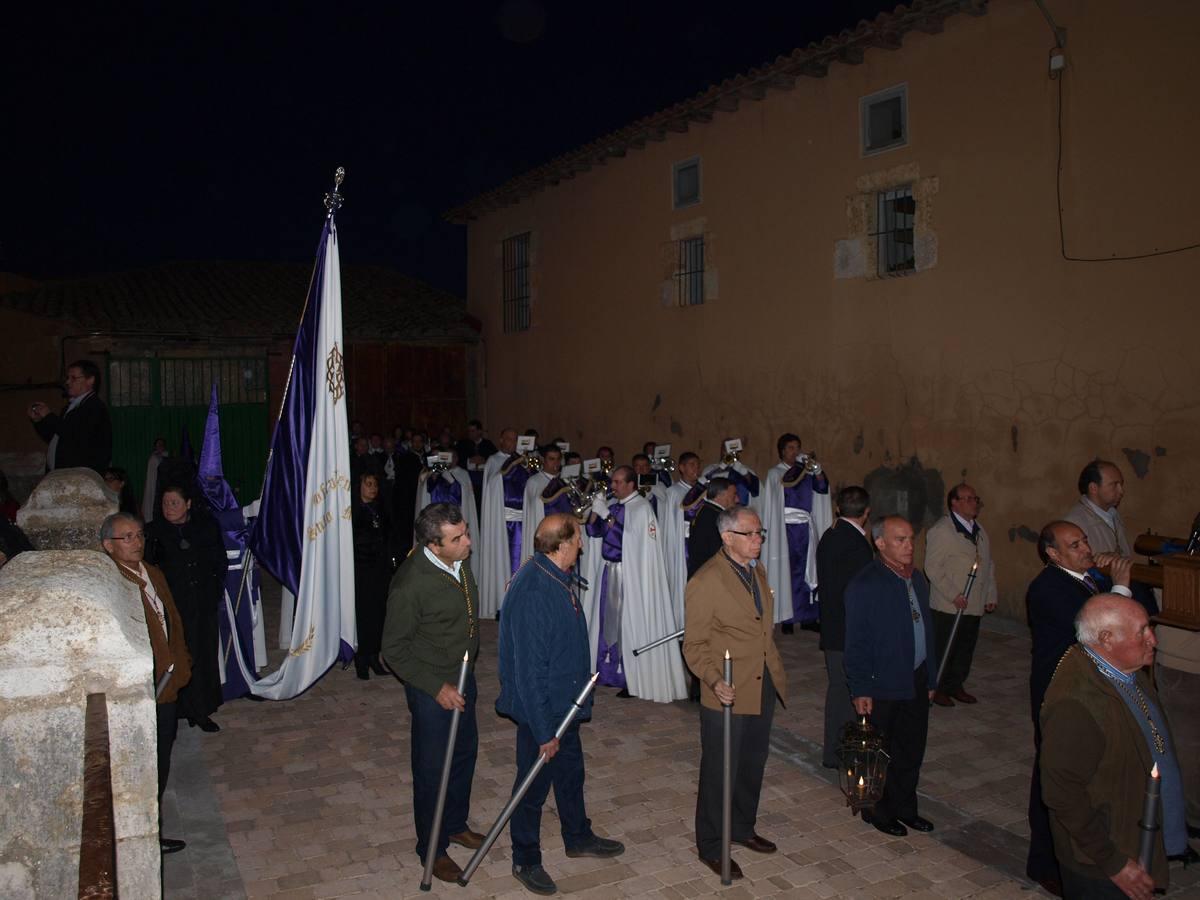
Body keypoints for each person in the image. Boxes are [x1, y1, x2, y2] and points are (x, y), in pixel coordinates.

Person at [497, 514, 626, 894]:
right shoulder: (535, 592)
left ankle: (577, 836)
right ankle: (525, 857)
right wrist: (543, 730)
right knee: (532, 787)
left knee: (571, 773)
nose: (583, 545)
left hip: (564, 703)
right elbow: (528, 671)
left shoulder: (552, 574)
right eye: (579, 539)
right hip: (544, 710)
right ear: (561, 545)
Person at [1041, 595, 1189, 898]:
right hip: (1101, 864)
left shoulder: (1127, 672)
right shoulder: (1076, 703)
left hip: (1134, 836)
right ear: (1106, 639)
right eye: (1142, 631)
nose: (1153, 640)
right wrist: (1114, 862)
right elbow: (1061, 793)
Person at [1025, 520, 1133, 892]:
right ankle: (1045, 861)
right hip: (1060, 692)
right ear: (1053, 554)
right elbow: (1092, 627)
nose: (1086, 549)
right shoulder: (1047, 587)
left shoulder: (1092, 579)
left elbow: (1138, 612)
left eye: (1085, 541)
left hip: (1092, 690)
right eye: (1075, 545)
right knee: (1056, 773)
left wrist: (1116, 580)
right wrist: (1119, 585)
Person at [381, 503, 484, 883]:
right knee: (431, 768)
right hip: (432, 686)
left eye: (466, 532)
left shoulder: (457, 560)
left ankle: (455, 824)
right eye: (458, 539)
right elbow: (393, 649)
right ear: (434, 545)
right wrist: (435, 687)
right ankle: (432, 847)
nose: (468, 543)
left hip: (462, 675)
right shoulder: (411, 584)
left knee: (463, 754)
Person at [683, 504, 786, 881]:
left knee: (751, 762)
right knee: (719, 769)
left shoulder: (755, 569)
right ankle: (711, 845)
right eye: (751, 534)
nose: (758, 539)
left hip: (760, 681)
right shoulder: (706, 580)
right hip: (726, 688)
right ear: (728, 538)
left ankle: (742, 827)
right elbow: (694, 644)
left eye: (760, 533)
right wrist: (713, 679)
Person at [101, 512, 192, 854]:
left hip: (167, 683)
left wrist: (181, 661)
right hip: (143, 687)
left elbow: (173, 619)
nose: (136, 542)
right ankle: (139, 834)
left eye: (139, 535)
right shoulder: (115, 582)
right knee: (143, 763)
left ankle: (150, 829)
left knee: (160, 758)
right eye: (127, 537)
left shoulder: (151, 572)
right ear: (108, 545)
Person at [844, 516, 936, 837]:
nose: (909, 545)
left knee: (911, 749)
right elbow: (855, 642)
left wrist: (931, 678)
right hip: (882, 682)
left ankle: (905, 807)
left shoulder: (917, 579)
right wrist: (860, 688)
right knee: (879, 751)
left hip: (916, 678)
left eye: (911, 539)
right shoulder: (866, 584)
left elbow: (927, 630)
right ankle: (877, 810)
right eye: (900, 539)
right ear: (880, 543)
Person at [582, 465, 688, 702]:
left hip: (629, 575)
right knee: (606, 621)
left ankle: (630, 676)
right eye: (613, 482)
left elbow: (628, 539)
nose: (613, 486)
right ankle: (607, 671)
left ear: (631, 484)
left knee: (627, 624)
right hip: (609, 572)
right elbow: (593, 531)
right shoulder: (614, 505)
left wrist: (606, 514)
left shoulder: (642, 509)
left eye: (618, 482)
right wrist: (595, 510)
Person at [145, 485, 227, 733]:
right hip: (173, 608)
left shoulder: (204, 527)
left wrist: (211, 590)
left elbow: (218, 562)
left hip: (201, 604)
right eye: (165, 503)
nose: (169, 508)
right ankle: (179, 709)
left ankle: (201, 709)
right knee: (178, 656)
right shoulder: (154, 532)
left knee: (203, 654)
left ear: (188, 504)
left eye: (174, 503)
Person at [815, 485, 874, 769]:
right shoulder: (857, 544)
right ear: (866, 512)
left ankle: (838, 750)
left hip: (834, 626)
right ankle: (839, 752)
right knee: (844, 692)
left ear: (838, 508)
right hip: (848, 631)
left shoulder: (831, 535)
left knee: (840, 689)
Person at [925, 483, 997, 707]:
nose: (973, 502)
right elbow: (933, 568)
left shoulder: (980, 531)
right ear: (954, 502)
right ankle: (937, 686)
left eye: (975, 499)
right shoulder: (942, 531)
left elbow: (988, 564)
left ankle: (956, 684)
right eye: (967, 498)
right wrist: (953, 594)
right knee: (944, 646)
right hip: (949, 604)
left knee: (965, 647)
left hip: (973, 602)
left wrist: (990, 594)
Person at [1064, 459, 1158, 615]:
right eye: (1114, 485)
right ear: (1094, 488)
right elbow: (1075, 570)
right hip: (1100, 596)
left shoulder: (1112, 514)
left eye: (1121, 484)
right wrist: (1102, 560)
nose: (1121, 491)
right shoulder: (1074, 523)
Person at [760, 433, 831, 635]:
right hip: (785, 529)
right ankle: (788, 617)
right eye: (791, 448)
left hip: (805, 528)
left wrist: (817, 471)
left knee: (808, 570)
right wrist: (801, 467)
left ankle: (808, 616)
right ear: (782, 451)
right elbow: (785, 484)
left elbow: (822, 488)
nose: (796, 451)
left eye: (797, 447)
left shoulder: (806, 471)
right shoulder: (776, 473)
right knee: (788, 571)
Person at [478, 427, 530, 617]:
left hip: (523, 519)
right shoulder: (494, 460)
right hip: (504, 522)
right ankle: (503, 601)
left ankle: (522, 600)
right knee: (505, 560)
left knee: (522, 560)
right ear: (501, 440)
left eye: (516, 439)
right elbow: (493, 484)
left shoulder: (524, 461)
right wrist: (511, 465)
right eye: (509, 439)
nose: (513, 443)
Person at [28, 359, 112, 475]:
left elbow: (74, 435)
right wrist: (39, 421)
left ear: (90, 380)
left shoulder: (94, 407)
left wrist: (49, 415)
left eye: (73, 378)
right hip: (64, 476)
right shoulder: (71, 407)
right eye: (68, 378)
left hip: (80, 477)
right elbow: (56, 438)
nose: (68, 382)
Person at [351, 472, 393, 680]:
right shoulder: (353, 512)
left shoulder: (380, 509)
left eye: (375, 484)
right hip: (361, 570)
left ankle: (375, 656)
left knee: (379, 612)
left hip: (379, 570)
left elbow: (388, 537)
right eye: (368, 484)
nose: (373, 488)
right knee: (364, 613)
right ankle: (361, 658)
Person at [662, 451, 702, 625]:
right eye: (692, 464)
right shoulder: (673, 492)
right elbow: (669, 523)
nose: (696, 468)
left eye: (698, 465)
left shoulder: (703, 490)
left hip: (699, 544)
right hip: (682, 545)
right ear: (682, 467)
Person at [687, 477, 738, 579]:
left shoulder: (705, 510)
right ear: (721, 495)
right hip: (710, 577)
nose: (737, 499)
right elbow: (718, 553)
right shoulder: (717, 517)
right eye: (734, 494)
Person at [519, 444, 562, 563]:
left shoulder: (564, 481)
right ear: (543, 460)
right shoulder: (534, 482)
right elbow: (536, 505)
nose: (556, 463)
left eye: (558, 459)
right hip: (544, 534)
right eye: (551, 459)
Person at [143, 437, 168, 523]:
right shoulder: (153, 458)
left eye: (161, 444)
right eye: (158, 444)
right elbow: (151, 476)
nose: (160, 446)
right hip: (154, 484)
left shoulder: (166, 456)